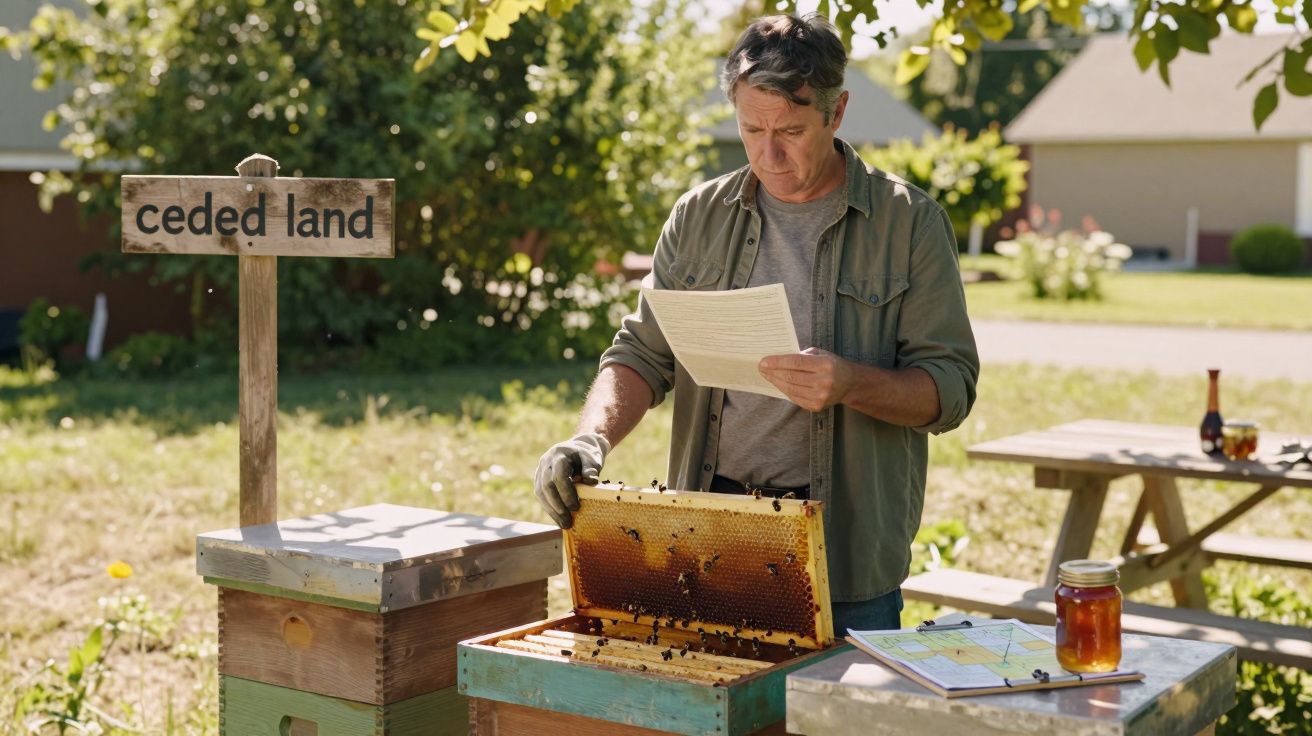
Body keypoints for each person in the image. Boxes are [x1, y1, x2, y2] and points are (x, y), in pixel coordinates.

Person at [533, 14, 979, 633]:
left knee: (831, 731)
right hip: (710, 531)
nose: (769, 153)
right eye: (751, 129)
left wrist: (850, 383)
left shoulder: (909, 225)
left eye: (791, 130)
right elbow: (641, 353)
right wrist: (589, 439)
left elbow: (950, 390)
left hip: (846, 555)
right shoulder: (697, 216)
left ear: (838, 111)